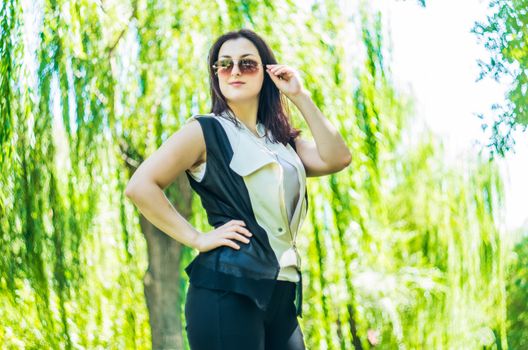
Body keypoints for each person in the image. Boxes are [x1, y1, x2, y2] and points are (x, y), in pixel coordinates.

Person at [125, 28, 351, 350]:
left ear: (266, 72)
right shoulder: (204, 131)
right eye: (224, 65)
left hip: (282, 293)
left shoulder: (283, 141)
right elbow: (140, 186)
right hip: (226, 291)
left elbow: (338, 158)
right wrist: (197, 238)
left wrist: (299, 95)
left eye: (247, 64)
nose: (234, 72)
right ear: (215, 74)